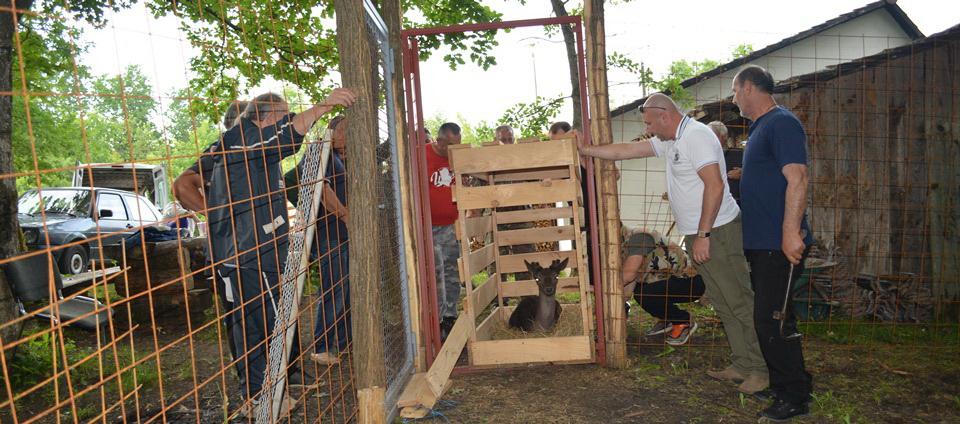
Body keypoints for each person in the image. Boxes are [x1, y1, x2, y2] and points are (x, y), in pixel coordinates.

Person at [577, 93, 768, 395]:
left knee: (739, 301)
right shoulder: (671, 139)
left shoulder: (696, 137)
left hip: (717, 231)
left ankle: (760, 369)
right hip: (699, 233)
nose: (649, 129)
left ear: (665, 115)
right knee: (722, 301)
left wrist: (703, 234)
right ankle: (742, 363)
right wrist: (587, 150)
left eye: (650, 122)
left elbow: (716, 185)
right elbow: (628, 150)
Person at [206, 88, 356, 410]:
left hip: (260, 251)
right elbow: (286, 139)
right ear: (268, 117)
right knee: (260, 329)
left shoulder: (257, 148)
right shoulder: (242, 139)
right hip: (247, 255)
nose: (289, 120)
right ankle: (262, 398)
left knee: (268, 327)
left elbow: (282, 146)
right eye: (284, 115)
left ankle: (267, 395)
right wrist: (325, 105)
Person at [732, 64, 814, 421]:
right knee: (774, 317)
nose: (733, 98)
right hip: (762, 242)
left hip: (777, 243)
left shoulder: (782, 122)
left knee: (774, 321)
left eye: (735, 91)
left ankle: (793, 397)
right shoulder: (760, 127)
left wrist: (790, 231)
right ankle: (789, 383)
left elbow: (798, 178)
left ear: (749, 87)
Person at [283, 116, 350, 365]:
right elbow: (321, 189)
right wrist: (346, 216)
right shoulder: (318, 150)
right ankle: (322, 346)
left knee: (345, 289)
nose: (349, 138)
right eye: (347, 132)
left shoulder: (337, 156)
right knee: (333, 289)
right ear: (335, 131)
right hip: (329, 234)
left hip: (339, 233)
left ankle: (345, 342)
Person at [622, 228, 705, 346]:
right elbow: (630, 281)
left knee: (645, 294)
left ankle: (683, 321)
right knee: (641, 290)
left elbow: (628, 275)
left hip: (691, 281)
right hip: (670, 279)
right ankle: (668, 319)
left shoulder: (638, 238)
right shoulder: (623, 244)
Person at [173, 100, 248, 213]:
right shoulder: (224, 149)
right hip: (239, 229)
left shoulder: (256, 148)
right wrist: (217, 217)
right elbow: (181, 185)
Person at [426, 122, 463, 341]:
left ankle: (450, 314)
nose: (454, 150)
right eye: (450, 145)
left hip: (449, 225)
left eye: (457, 144)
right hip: (427, 225)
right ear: (439, 141)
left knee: (451, 270)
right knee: (436, 271)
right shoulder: (422, 156)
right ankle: (437, 319)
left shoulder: (457, 157)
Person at [709, 121, 743, 205]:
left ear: (724, 137)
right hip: (712, 202)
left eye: (713, 135)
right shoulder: (704, 157)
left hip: (735, 204)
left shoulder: (738, 154)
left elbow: (755, 173)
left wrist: (743, 173)